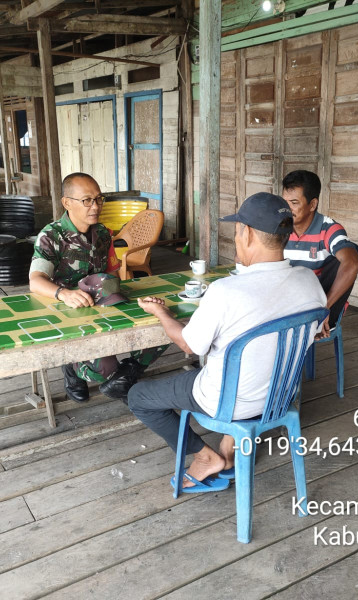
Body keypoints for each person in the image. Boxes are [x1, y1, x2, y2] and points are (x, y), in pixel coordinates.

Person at [128, 192, 326, 492]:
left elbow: (188, 346)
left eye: (236, 232)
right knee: (248, 367)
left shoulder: (226, 291)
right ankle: (229, 450)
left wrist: (161, 311)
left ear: (246, 233)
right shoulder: (309, 281)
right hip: (279, 396)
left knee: (139, 396)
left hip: (226, 402)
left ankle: (205, 456)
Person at [29, 172, 166, 403]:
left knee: (161, 326)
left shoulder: (102, 233)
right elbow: (36, 280)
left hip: (102, 302)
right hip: (68, 310)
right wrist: (64, 294)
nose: (95, 206)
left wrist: (116, 294)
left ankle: (127, 373)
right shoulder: (51, 235)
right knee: (107, 366)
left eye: (99, 199)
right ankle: (73, 370)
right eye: (87, 200)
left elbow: (112, 272)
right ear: (67, 202)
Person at [281, 170, 358, 337]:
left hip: (320, 302)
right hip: (288, 301)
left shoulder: (329, 229)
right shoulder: (280, 227)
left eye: (294, 203)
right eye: (285, 202)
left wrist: (323, 309)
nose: (287, 209)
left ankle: (317, 321)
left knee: (341, 261)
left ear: (312, 205)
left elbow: (353, 263)